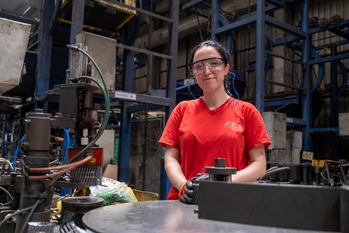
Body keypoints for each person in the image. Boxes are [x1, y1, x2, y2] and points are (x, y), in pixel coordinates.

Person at [158, 39, 271, 202]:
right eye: (199, 66)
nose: (207, 71)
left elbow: (259, 165)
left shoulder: (247, 111)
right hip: (186, 201)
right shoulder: (182, 110)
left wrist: (222, 184)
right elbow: (170, 157)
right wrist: (184, 186)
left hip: (230, 200)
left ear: (226, 69)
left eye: (214, 63)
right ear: (194, 73)